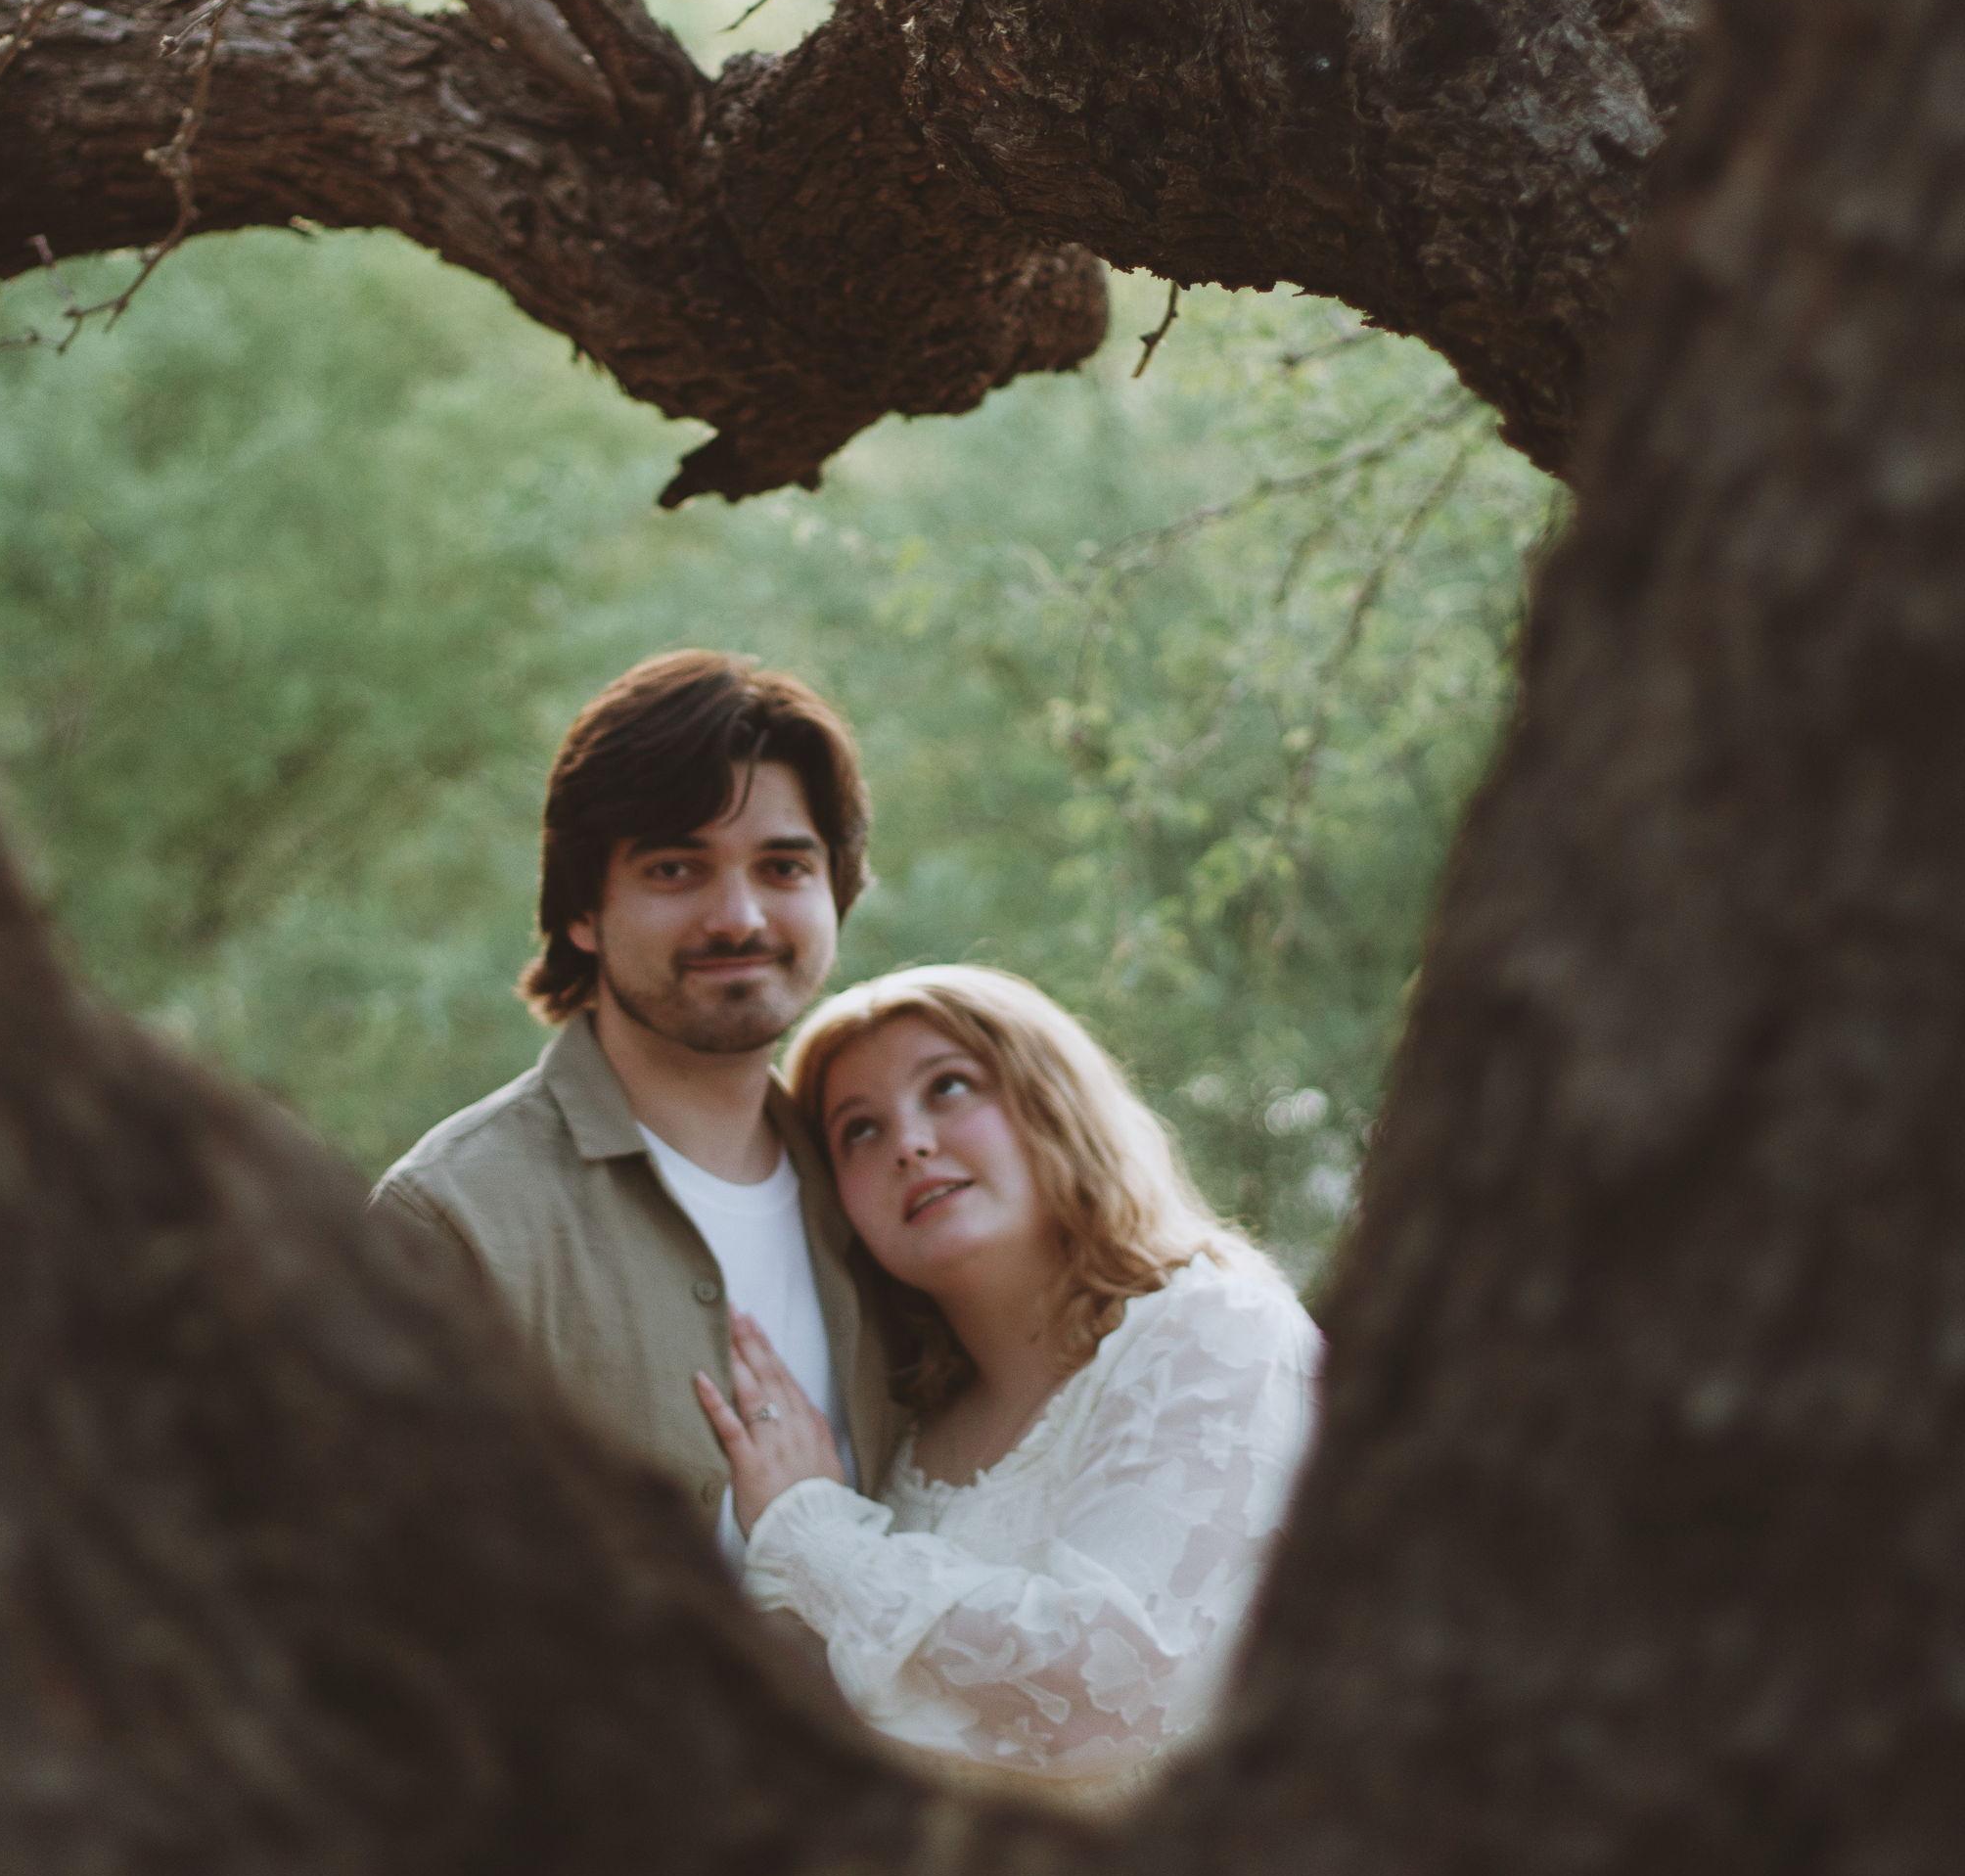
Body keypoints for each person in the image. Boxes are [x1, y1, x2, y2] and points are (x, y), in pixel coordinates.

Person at [693, 966, 1323, 1802]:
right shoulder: (898, 1433)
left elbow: (1112, 1689)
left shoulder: (1217, 1330)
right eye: (860, 1131)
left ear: (1052, 1100)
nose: (911, 1143)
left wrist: (811, 1531)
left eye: (948, 1088)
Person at [372, 652, 899, 1557]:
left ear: (835, 894)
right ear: (583, 907)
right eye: (674, 870)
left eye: (782, 867)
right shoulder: (458, 1219)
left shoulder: (890, 1194)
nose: (738, 918)